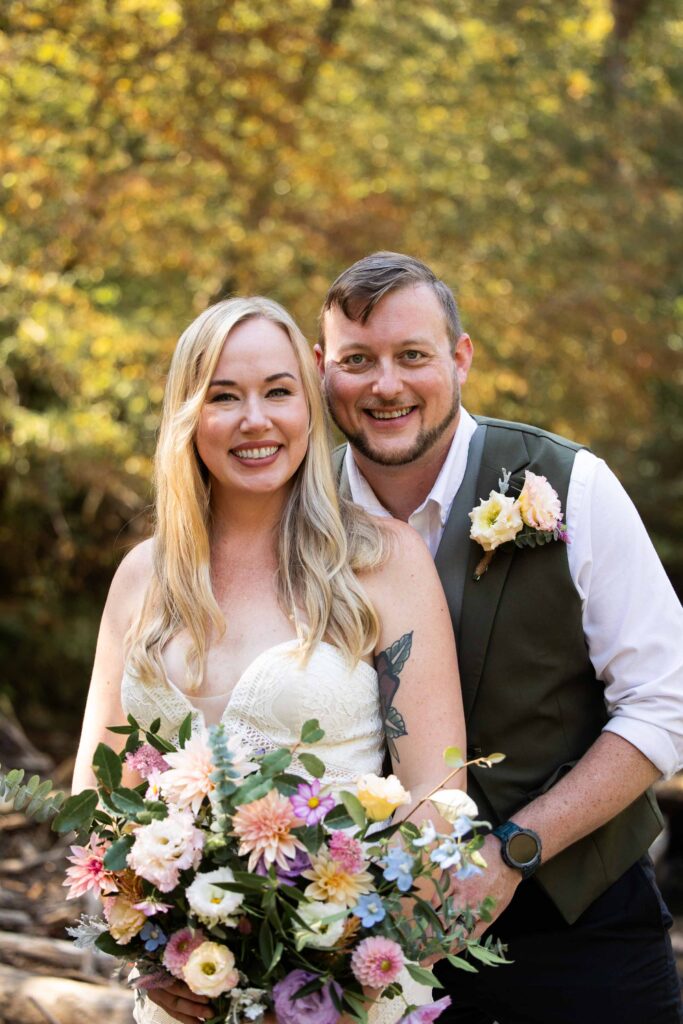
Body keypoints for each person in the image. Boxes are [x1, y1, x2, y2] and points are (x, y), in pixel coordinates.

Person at [72, 296, 467, 1024]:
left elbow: (435, 799)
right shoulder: (141, 577)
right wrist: (150, 953)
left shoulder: (381, 561)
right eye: (224, 397)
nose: (256, 420)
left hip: (342, 989)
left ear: (309, 408)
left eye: (278, 392)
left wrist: (351, 957)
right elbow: (101, 792)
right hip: (182, 992)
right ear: (189, 416)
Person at [315, 252, 683, 1024]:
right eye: (357, 360)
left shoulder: (569, 485)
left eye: (411, 355)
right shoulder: (292, 516)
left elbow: (665, 701)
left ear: (460, 358)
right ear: (321, 369)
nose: (385, 385)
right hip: (355, 951)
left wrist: (514, 850)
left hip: (580, 934)